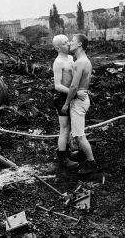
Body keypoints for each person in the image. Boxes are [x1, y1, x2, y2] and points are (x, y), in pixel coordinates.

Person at [61, 34, 97, 175]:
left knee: (79, 135)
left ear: (80, 44)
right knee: (78, 133)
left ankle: (91, 163)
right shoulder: (85, 61)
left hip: (78, 102)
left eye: (73, 41)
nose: (70, 43)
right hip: (83, 99)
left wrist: (66, 104)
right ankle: (84, 154)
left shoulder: (79, 63)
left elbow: (74, 86)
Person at [52, 34, 86, 169]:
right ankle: (63, 158)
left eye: (68, 42)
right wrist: (74, 92)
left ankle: (68, 152)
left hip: (72, 96)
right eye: (65, 43)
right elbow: (57, 85)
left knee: (73, 127)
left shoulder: (71, 58)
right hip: (62, 97)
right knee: (64, 129)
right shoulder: (58, 62)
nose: (68, 44)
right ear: (58, 47)